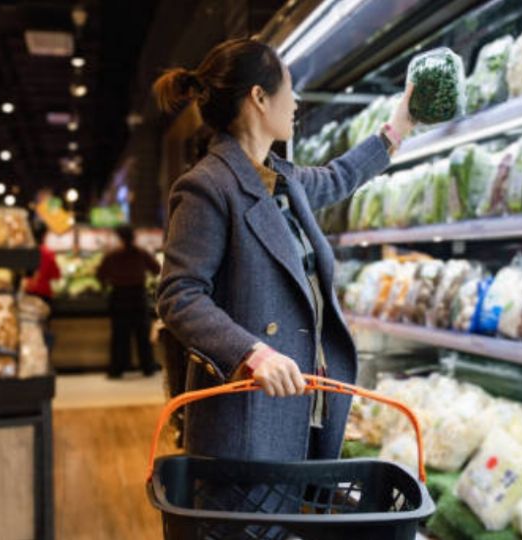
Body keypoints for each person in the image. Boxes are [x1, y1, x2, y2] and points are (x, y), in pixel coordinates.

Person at [154, 38, 414, 467]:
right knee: (251, 531)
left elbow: (338, 176)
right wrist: (252, 353)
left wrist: (399, 126)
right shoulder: (206, 186)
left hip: (300, 406)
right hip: (246, 416)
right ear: (259, 97)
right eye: (288, 88)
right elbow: (179, 296)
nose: (294, 102)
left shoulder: (282, 179)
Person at [97, 225, 162, 377]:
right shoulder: (140, 253)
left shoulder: (112, 255)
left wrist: (110, 281)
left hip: (119, 296)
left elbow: (100, 275)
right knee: (142, 334)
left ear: (119, 238)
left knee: (119, 335)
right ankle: (148, 367)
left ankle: (117, 369)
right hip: (137, 296)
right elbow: (157, 269)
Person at [25, 224, 61, 301]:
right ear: (44, 236)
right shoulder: (48, 253)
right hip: (44, 293)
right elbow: (56, 275)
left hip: (28, 292)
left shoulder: (25, 252)